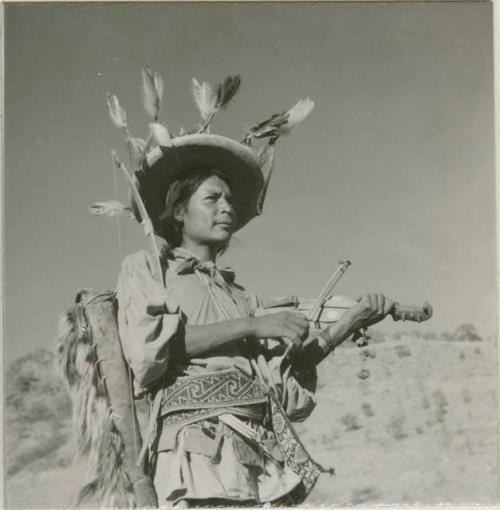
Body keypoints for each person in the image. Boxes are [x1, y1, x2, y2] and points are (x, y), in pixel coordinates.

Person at [116, 133, 395, 507]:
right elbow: (151, 351)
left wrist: (348, 324)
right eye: (212, 198)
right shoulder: (150, 268)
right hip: (196, 455)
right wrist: (253, 326)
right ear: (179, 211)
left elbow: (282, 386)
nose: (227, 208)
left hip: (259, 455)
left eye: (230, 200)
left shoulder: (242, 298)